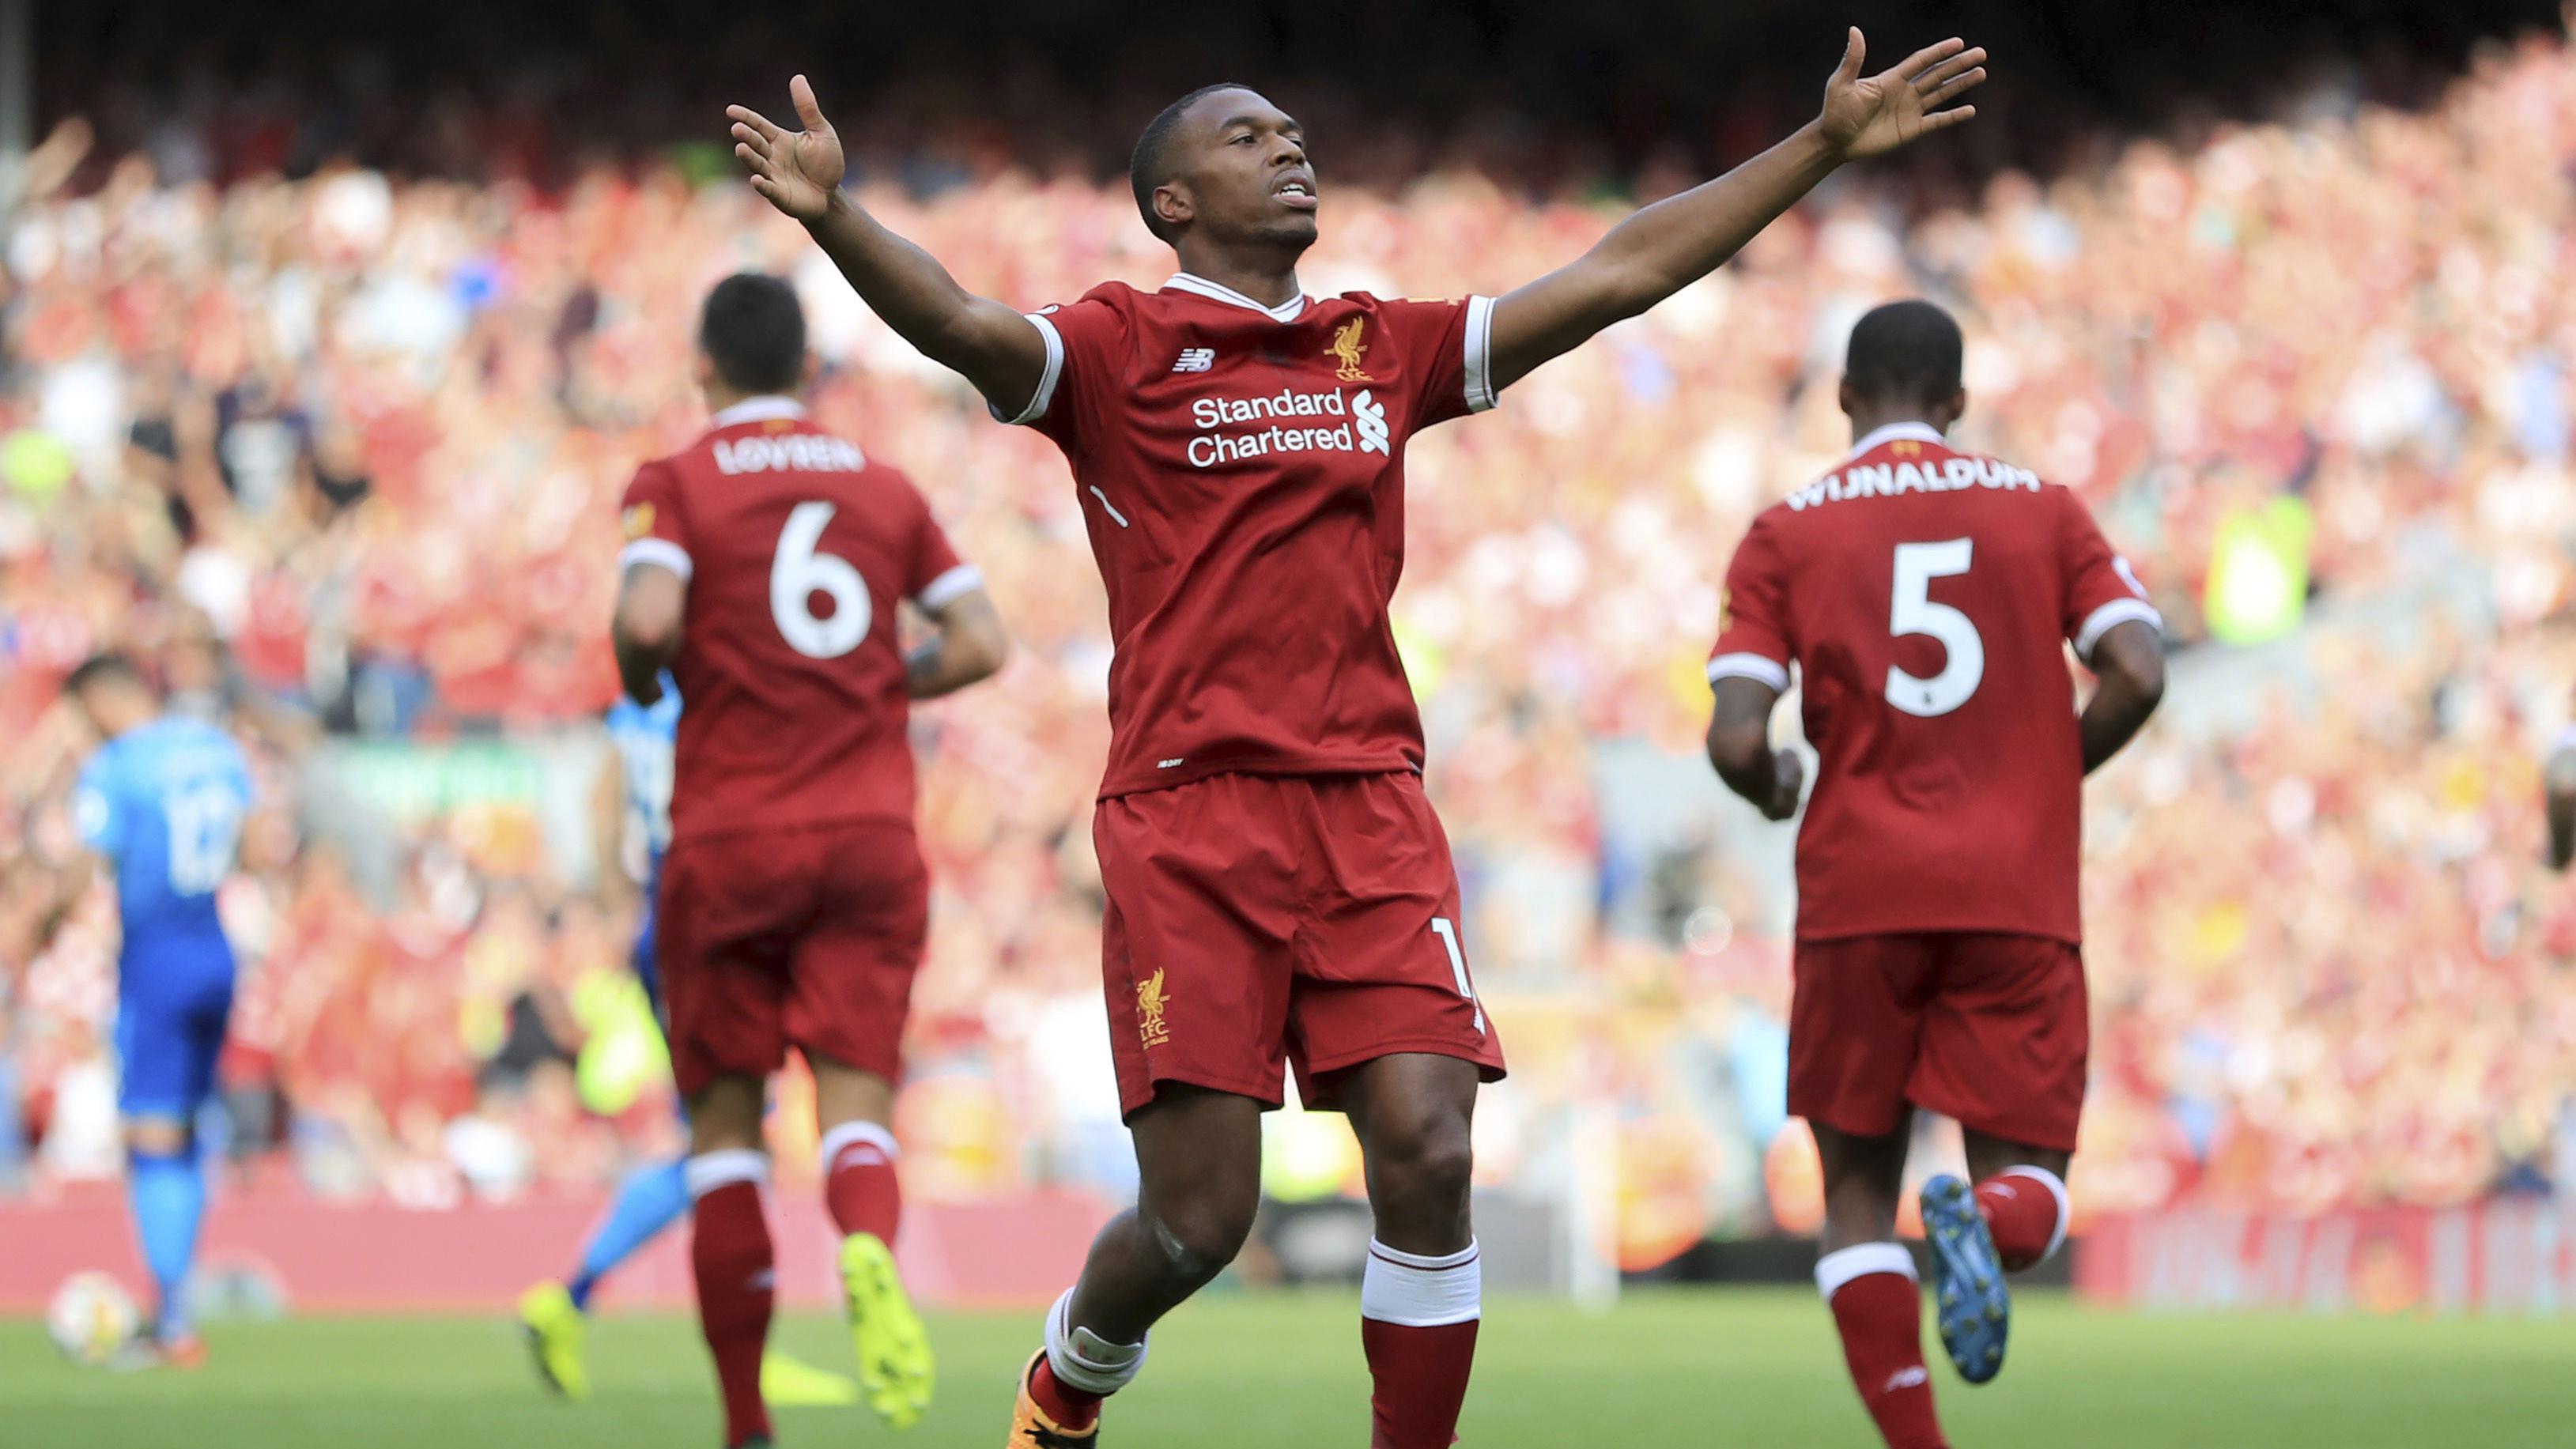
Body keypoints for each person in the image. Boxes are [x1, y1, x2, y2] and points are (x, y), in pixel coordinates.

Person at [725, 26, 1986, 1447]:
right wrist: (835, 218)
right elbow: (961, 323)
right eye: (1246, 136)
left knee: (1432, 1147)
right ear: (1171, 204)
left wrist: (1816, 147)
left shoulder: (1375, 346)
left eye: (1290, 130)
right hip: (1187, 815)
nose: (1289, 145)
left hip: (1369, 806)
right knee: (1201, 1219)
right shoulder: (1116, 348)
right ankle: (1070, 1370)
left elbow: (1618, 275)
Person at [1702, 300, 2166, 1449]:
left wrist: (1771, 786)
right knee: (2036, 1191)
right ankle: (1988, 1217)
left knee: (1855, 1196)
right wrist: (2045, 772)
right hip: (2013, 892)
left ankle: (1919, 1444)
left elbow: (1733, 737)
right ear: (1955, 404)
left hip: (1857, 895)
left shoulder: (1785, 530)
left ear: (1847, 399)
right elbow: (2139, 669)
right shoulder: (2042, 509)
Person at [610, 273, 1010, 1449]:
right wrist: (884, 681)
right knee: (857, 1102)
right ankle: (870, 1253)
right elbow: (980, 641)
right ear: (808, 372)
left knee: (725, 1133)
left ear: (703, 364)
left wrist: (650, 684)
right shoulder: (882, 486)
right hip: (867, 834)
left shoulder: (674, 482)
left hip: (729, 837)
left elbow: (643, 625)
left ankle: (746, 1422)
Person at [516, 677, 856, 1411]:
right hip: (715, 918)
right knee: (728, 1139)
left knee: (711, 1136)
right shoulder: (723, 685)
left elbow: (601, 805)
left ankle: (576, 1300)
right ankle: (610, 1305)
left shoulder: (640, 698)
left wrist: (618, 905)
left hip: (659, 918)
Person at [43, 654, 255, 1367]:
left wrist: (37, 923)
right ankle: (174, 1307)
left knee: (152, 1134)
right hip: (217, 950)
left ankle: (171, 1323)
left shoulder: (117, 767)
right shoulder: (213, 747)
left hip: (157, 958)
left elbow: (86, 860)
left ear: (104, 697)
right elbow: (253, 841)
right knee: (188, 1129)